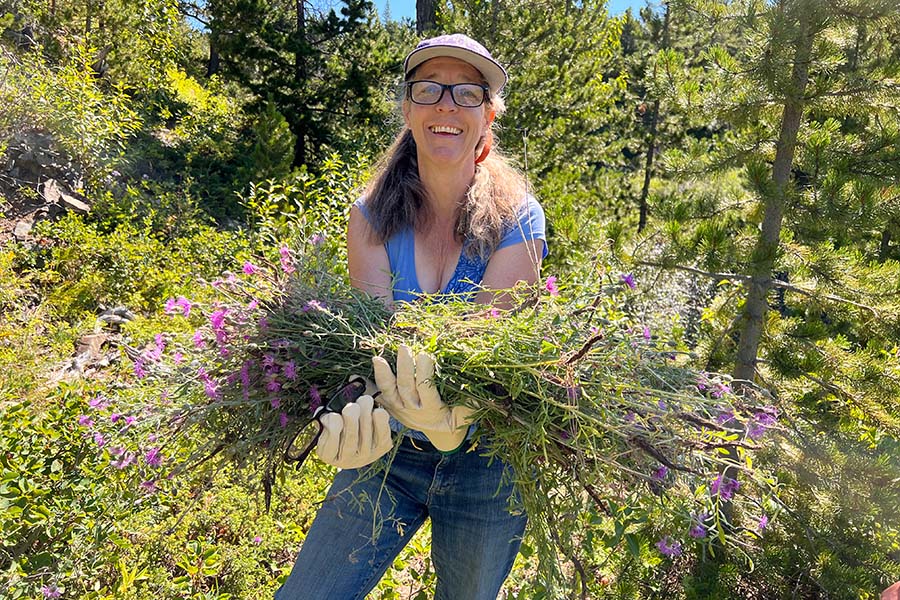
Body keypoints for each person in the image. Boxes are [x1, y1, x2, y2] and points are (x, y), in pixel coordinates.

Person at [275, 33, 548, 600]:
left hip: (487, 463)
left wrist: (455, 419)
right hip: (389, 453)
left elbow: (492, 356)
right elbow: (374, 345)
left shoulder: (519, 218)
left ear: (488, 115)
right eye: (429, 89)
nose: (446, 104)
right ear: (407, 109)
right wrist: (353, 419)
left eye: (467, 93)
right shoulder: (371, 217)